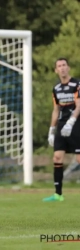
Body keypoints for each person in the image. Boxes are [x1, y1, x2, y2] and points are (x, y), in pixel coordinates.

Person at [44, 58, 80, 202]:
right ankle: (58, 194)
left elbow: (79, 105)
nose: (62, 68)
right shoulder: (56, 88)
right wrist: (51, 130)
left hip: (76, 124)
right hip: (61, 125)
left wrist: (71, 121)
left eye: (64, 65)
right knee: (57, 157)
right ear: (56, 70)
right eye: (59, 66)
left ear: (68, 67)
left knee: (78, 158)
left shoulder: (76, 84)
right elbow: (56, 110)